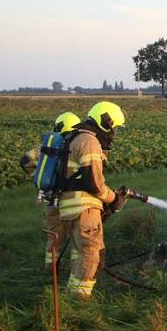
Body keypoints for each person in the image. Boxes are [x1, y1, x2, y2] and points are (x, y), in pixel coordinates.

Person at [59, 101, 128, 297]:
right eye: (115, 127)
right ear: (107, 122)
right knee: (90, 253)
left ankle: (72, 293)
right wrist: (113, 199)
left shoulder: (75, 137)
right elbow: (94, 184)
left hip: (71, 206)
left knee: (82, 253)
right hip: (83, 208)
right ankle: (79, 300)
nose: (114, 132)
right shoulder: (89, 141)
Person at [20, 111, 81, 270]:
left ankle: (51, 268)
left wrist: (37, 175)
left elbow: (25, 160)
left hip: (51, 199)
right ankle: (75, 268)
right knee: (77, 236)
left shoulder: (46, 147)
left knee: (55, 236)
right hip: (72, 198)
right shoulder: (77, 146)